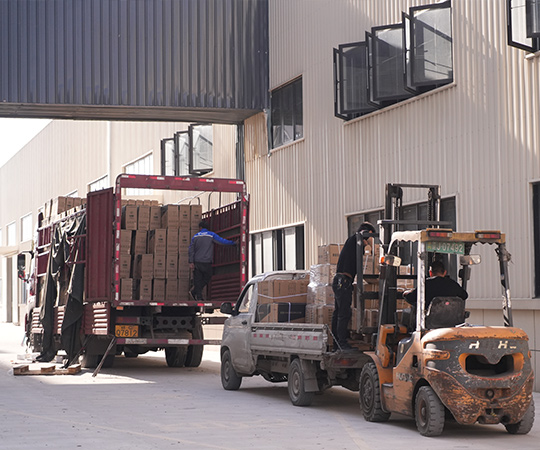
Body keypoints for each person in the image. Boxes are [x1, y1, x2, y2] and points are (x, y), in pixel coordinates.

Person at [331, 222, 376, 351]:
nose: (370, 240)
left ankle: (336, 343)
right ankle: (341, 343)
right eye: (370, 237)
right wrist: (367, 240)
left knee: (339, 313)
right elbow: (362, 234)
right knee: (343, 314)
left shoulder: (353, 243)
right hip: (343, 282)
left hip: (341, 282)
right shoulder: (357, 239)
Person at [189, 220, 236, 301]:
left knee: (198, 279)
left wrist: (191, 261)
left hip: (197, 262)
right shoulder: (211, 235)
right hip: (207, 262)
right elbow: (222, 241)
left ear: (200, 228)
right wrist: (233, 243)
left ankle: (198, 296)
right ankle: (195, 292)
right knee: (207, 278)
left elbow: (191, 250)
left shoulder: (195, 237)